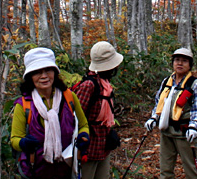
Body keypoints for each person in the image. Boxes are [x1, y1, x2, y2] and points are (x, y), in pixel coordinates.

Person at [11, 47, 90, 179]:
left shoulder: (69, 97)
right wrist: (24, 143)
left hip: (67, 170)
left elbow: (83, 125)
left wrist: (84, 136)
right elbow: (14, 139)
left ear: (54, 72)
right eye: (37, 72)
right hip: (36, 171)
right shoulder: (24, 105)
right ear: (30, 76)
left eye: (48, 70)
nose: (44, 76)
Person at [143, 47, 197, 179]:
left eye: (184, 61)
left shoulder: (194, 84)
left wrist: (194, 126)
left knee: (191, 171)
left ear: (190, 65)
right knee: (165, 171)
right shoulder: (167, 82)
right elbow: (159, 103)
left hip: (185, 134)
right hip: (166, 132)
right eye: (177, 60)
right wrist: (154, 118)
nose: (180, 63)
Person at [72, 41, 124, 179]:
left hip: (103, 146)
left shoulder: (105, 84)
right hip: (87, 148)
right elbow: (76, 118)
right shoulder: (89, 85)